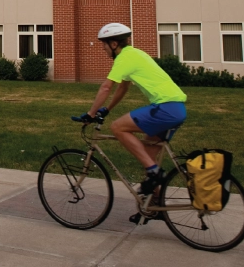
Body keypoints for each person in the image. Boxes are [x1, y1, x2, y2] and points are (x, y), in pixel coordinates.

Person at [79, 23, 187, 195]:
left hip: (165, 107)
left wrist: (91, 113)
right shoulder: (134, 54)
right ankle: (155, 206)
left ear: (114, 44)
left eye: (104, 45)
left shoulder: (124, 58)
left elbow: (106, 87)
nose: (103, 49)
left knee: (117, 127)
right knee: (148, 156)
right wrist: (107, 109)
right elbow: (123, 87)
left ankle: (154, 171)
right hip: (176, 108)